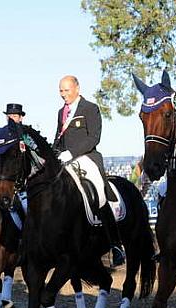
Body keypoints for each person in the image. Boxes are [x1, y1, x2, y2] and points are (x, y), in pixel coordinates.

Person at [53, 75, 125, 267]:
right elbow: (57, 138)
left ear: (77, 88)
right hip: (65, 159)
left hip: (87, 158)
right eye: (61, 90)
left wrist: (72, 153)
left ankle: (115, 244)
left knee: (98, 192)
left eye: (66, 90)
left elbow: (94, 138)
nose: (63, 94)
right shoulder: (61, 112)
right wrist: (52, 156)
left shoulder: (90, 108)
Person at [0, 103, 26, 176]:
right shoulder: (0, 133)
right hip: (2, 171)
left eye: (14, 116)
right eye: (9, 116)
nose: (11, 118)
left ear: (20, 118)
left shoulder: (26, 132)